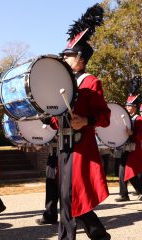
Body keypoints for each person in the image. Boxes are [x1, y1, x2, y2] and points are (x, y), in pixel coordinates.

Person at [50, 4, 111, 240]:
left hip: (81, 147)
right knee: (68, 196)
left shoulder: (91, 82)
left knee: (71, 196)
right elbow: (57, 119)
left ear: (81, 59)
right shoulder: (60, 83)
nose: (64, 58)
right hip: (63, 146)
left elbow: (105, 117)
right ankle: (99, 235)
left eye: (68, 56)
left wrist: (86, 120)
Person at [115, 95, 142, 202]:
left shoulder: (139, 119)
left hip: (134, 149)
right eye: (127, 105)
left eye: (129, 106)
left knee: (131, 173)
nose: (127, 107)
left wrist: (132, 134)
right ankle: (123, 194)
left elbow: (140, 134)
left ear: (135, 107)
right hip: (124, 148)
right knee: (121, 171)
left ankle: (140, 190)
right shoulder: (125, 118)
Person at [36, 141, 59, 225]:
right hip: (53, 152)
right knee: (51, 185)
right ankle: (50, 215)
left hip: (67, 152)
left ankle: (72, 216)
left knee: (66, 188)